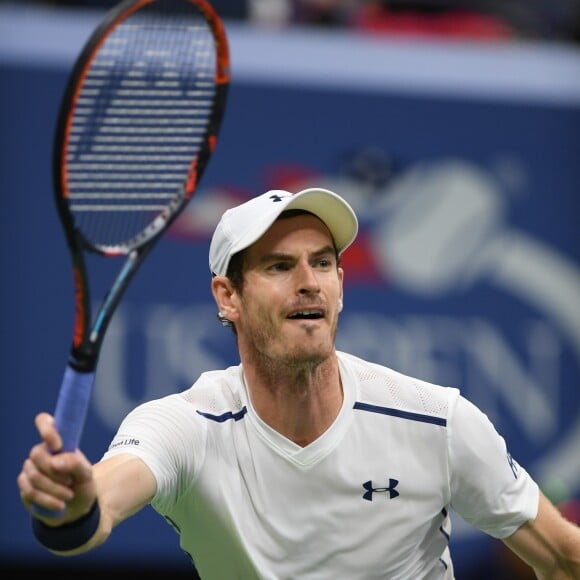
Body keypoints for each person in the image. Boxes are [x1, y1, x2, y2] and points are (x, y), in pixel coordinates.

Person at [17, 187, 580, 578]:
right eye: (279, 267)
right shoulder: (187, 425)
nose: (309, 283)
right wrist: (68, 503)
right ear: (228, 297)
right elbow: (94, 510)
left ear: (340, 285)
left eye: (324, 262)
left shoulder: (438, 421)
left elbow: (561, 558)